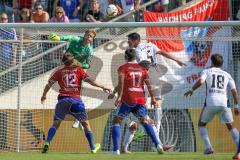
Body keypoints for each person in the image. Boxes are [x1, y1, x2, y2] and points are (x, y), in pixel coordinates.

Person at [41, 52, 112, 153]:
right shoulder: (79, 70)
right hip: (76, 101)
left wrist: (44, 95)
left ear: (62, 61)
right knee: (86, 125)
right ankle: (92, 147)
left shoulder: (59, 72)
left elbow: (48, 85)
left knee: (55, 124)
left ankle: (47, 142)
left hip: (63, 100)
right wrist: (103, 87)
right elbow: (91, 81)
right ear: (73, 60)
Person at [111, 48, 164, 155]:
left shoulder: (123, 68)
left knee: (116, 121)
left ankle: (115, 150)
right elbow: (149, 85)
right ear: (135, 57)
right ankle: (158, 144)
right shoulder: (142, 69)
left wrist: (118, 97)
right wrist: (153, 98)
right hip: (140, 99)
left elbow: (121, 84)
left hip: (128, 98)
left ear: (125, 57)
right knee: (144, 122)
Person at [184, 53, 239, 155]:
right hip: (224, 103)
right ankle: (239, 152)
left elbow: (201, 81)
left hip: (211, 102)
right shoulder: (227, 75)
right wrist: (236, 106)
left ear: (212, 62)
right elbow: (234, 91)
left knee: (201, 124)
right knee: (231, 127)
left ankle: (209, 147)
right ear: (221, 64)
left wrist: (191, 90)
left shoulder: (207, 71)